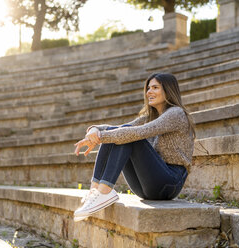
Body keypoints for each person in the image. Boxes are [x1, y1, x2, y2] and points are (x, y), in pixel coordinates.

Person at [73, 72, 195, 222]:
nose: (149, 92)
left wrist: (100, 137)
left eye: (155, 87)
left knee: (130, 137)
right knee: (122, 133)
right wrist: (94, 129)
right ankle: (95, 191)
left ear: (168, 90)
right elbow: (118, 128)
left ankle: (104, 192)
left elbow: (139, 132)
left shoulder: (176, 114)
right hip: (146, 186)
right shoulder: (150, 116)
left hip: (169, 183)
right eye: (148, 88)